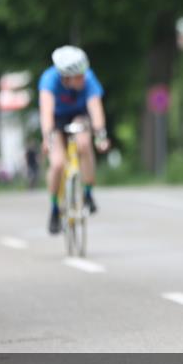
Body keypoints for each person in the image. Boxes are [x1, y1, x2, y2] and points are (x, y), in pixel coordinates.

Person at [38, 45, 111, 234]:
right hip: (57, 119)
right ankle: (54, 208)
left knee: (84, 144)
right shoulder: (49, 80)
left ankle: (88, 193)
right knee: (57, 164)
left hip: (79, 115)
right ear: (66, 77)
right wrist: (47, 138)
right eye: (78, 77)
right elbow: (46, 112)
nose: (83, 79)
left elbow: (95, 108)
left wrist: (101, 135)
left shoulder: (88, 78)